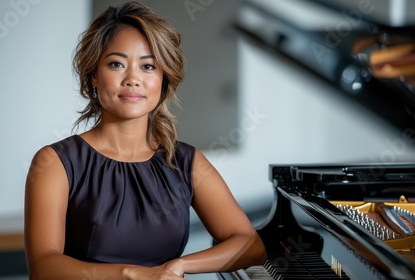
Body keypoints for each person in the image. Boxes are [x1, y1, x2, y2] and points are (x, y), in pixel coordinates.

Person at [23, 1, 266, 279]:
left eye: (148, 66)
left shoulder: (186, 161)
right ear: (93, 76)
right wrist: (131, 274)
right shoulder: (55, 162)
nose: (133, 79)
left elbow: (251, 245)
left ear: (163, 80)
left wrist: (179, 265)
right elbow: (43, 267)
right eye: (116, 64)